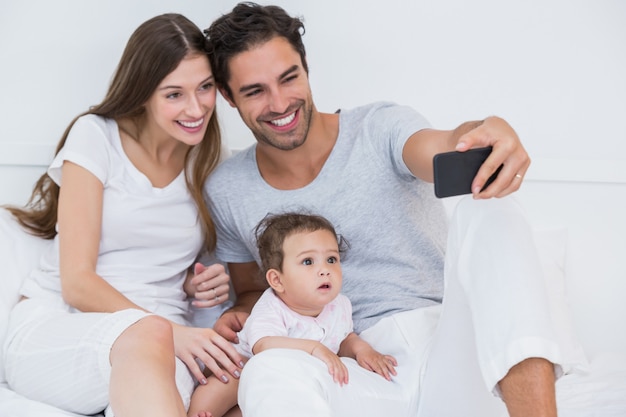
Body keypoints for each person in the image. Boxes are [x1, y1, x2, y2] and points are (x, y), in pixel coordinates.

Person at [202, 3, 587, 417]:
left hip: (447, 350)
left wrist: (482, 130)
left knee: (492, 208)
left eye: (288, 78)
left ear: (306, 66)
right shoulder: (227, 188)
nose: (279, 103)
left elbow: (443, 145)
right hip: (355, 371)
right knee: (269, 369)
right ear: (227, 95)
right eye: (255, 91)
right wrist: (239, 314)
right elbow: (253, 290)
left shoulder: (380, 128)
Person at [2, 14, 245, 417]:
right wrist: (172, 333)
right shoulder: (96, 137)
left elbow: (160, 260)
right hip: (63, 326)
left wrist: (194, 283)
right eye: (174, 94)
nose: (196, 107)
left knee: (230, 380)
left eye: (204, 88)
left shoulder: (208, 159)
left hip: (165, 335)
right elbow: (77, 283)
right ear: (143, 93)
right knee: (149, 338)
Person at [188, 212, 398, 417]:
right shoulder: (272, 307)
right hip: (243, 366)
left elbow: (344, 337)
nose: (324, 270)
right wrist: (315, 348)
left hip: (285, 383)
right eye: (308, 262)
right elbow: (263, 345)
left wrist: (364, 351)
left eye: (332, 259)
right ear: (277, 280)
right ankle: (200, 412)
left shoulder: (340, 305)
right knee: (228, 381)